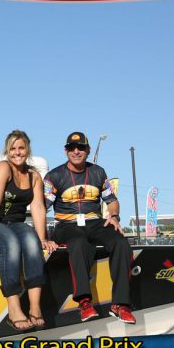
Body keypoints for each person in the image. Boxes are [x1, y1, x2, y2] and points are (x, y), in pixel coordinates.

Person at [0, 130, 56, 331]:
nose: (17, 152)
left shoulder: (34, 176)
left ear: (28, 150)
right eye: (12, 149)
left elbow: (38, 208)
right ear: (7, 151)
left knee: (32, 241)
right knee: (11, 243)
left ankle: (35, 307)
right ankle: (14, 308)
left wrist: (42, 238)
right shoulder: (3, 168)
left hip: (15, 225)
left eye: (21, 148)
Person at [44, 132, 135, 324]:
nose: (76, 151)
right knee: (78, 242)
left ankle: (120, 304)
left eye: (81, 147)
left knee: (121, 242)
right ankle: (84, 302)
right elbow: (41, 207)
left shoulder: (98, 172)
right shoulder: (54, 176)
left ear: (88, 150)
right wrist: (42, 236)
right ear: (65, 151)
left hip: (95, 222)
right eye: (71, 147)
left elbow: (112, 200)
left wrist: (114, 217)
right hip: (67, 225)